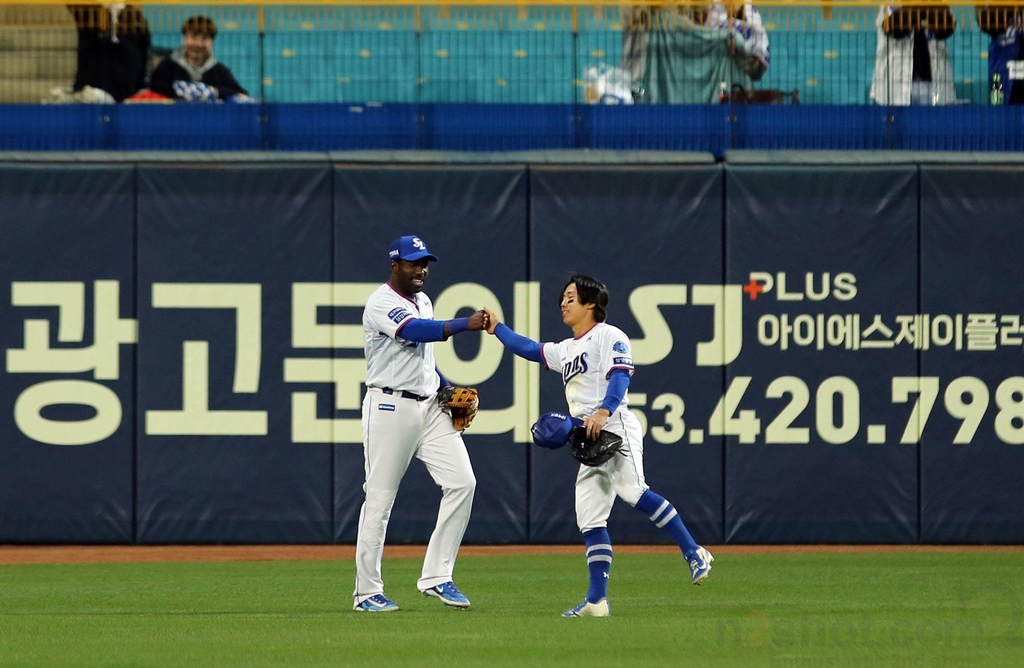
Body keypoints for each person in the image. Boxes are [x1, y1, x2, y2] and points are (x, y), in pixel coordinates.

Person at [483, 275, 713, 618]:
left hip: (615, 424)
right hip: (587, 435)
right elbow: (528, 348)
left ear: (591, 303)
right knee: (590, 518)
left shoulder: (609, 335)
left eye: (571, 297)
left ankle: (694, 551)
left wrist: (604, 410)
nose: (563, 302)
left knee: (633, 490)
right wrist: (497, 328)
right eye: (563, 297)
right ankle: (597, 601)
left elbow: (620, 374)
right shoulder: (566, 349)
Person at [354, 235, 488, 613]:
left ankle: (437, 577)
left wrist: (446, 386)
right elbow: (414, 332)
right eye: (413, 262)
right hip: (389, 407)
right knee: (379, 499)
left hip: (429, 407)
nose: (421, 269)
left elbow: (423, 356)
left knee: (463, 482)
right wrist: (466, 323)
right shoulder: (381, 302)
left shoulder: (423, 299)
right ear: (394, 265)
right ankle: (366, 592)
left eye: (425, 262)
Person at [622, 1, 769, 104]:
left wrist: (738, 48)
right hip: (686, 84)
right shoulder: (704, 9)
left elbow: (759, 67)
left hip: (730, 94)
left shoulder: (752, 21)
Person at [149, 16, 251, 102]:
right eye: (194, 37)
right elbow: (152, 90)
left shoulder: (219, 71)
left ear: (211, 42)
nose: (198, 44)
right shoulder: (167, 67)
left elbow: (240, 94)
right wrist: (181, 89)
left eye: (204, 38)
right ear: (184, 39)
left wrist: (214, 91)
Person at [870, 3, 956, 105]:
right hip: (894, 87)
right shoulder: (891, 3)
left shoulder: (935, 2)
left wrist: (926, 8)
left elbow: (945, 30)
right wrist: (917, 9)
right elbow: (896, 30)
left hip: (933, 84)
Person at [67, 3, 151, 103]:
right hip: (92, 92)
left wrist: (142, 86)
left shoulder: (135, 16)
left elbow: (145, 53)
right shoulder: (89, 13)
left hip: (126, 93)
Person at [977, 5, 1024, 104]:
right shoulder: (997, 9)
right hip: (1001, 60)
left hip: (1014, 58)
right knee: (1000, 99)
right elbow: (984, 21)